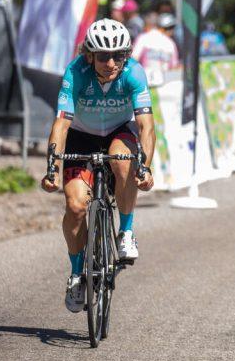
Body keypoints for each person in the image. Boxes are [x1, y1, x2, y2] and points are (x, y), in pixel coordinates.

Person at [40, 19, 156, 313]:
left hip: (119, 131)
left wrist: (146, 167)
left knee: (123, 161)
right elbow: (61, 124)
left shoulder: (133, 72)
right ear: (89, 55)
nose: (112, 62)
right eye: (104, 56)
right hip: (81, 136)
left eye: (118, 55)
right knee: (76, 207)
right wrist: (52, 168)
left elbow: (146, 126)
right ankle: (77, 274)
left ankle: (126, 231)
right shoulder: (76, 72)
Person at [132, 12, 181, 86]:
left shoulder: (143, 38)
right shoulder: (171, 44)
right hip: (164, 85)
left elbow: (133, 60)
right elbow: (173, 67)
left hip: (144, 84)